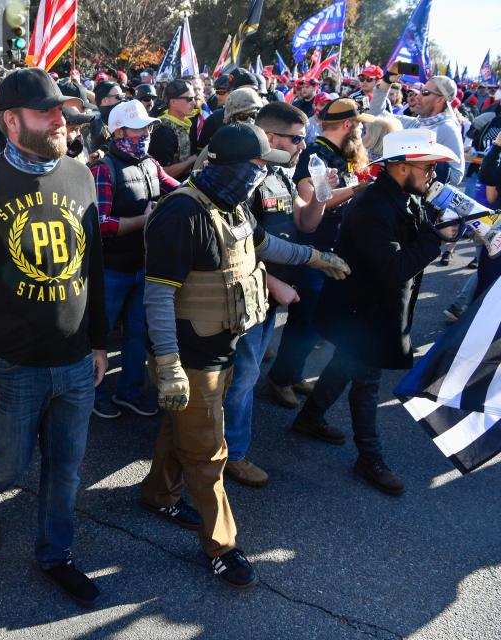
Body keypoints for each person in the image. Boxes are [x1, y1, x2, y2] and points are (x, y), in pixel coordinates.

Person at [0, 68, 107, 608]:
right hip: (11, 365)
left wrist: (100, 341)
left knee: (66, 467)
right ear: (10, 120)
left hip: (76, 361)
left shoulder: (81, 176)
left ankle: (55, 555)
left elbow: (94, 267)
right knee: (9, 463)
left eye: (62, 111)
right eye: (47, 112)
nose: (60, 120)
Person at [141, 123, 295, 588]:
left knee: (179, 426)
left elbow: (265, 246)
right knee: (209, 454)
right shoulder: (181, 214)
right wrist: (169, 366)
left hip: (221, 348)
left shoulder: (233, 206)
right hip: (191, 359)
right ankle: (222, 547)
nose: (265, 172)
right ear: (234, 167)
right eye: (259, 165)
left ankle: (159, 494)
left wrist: (315, 257)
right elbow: (158, 296)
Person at [291, 129, 460, 496]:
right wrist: (438, 238)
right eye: (428, 167)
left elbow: (411, 235)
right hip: (363, 312)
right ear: (401, 168)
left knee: (344, 365)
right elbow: (395, 269)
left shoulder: (398, 194)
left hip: (371, 310)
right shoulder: (374, 207)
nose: (433, 174)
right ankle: (370, 457)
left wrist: (443, 221)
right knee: (365, 384)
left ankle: (309, 417)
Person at [220, 103, 349, 488]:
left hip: (271, 293)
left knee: (247, 372)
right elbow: (235, 241)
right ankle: (233, 453)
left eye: (304, 137)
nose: (302, 145)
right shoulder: (243, 175)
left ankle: (222, 444)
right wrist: (275, 282)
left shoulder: (280, 174)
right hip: (247, 288)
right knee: (242, 377)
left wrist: (323, 194)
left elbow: (303, 223)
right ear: (270, 136)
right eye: (296, 138)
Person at [267, 98, 370, 409]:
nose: (362, 129)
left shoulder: (343, 154)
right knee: (305, 316)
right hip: (315, 248)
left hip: (334, 245)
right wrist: (356, 190)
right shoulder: (315, 152)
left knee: (315, 318)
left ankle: (292, 372)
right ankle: (280, 378)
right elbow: (309, 201)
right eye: (360, 124)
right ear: (349, 124)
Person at [91, 99, 179, 419]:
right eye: (140, 128)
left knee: (137, 334)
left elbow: (178, 191)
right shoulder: (103, 169)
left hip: (144, 267)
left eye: (148, 128)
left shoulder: (151, 164)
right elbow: (100, 224)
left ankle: (128, 392)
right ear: (119, 132)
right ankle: (95, 393)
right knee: (98, 337)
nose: (146, 134)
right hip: (111, 270)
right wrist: (145, 220)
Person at [370, 73, 465, 188]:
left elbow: (456, 176)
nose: (418, 97)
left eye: (425, 93)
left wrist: (423, 165)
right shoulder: (415, 122)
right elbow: (376, 114)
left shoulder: (447, 128)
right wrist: (386, 81)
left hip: (417, 200)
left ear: (440, 100)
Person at [148, 80, 198, 179]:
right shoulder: (163, 131)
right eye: (189, 99)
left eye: (194, 98)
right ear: (173, 102)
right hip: (167, 192)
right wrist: (195, 158)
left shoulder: (186, 123)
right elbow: (165, 173)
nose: (194, 102)